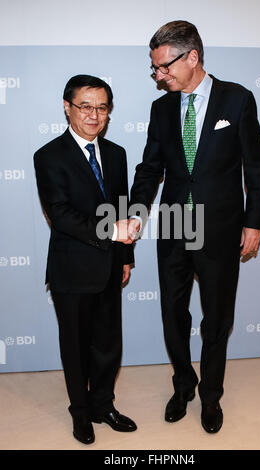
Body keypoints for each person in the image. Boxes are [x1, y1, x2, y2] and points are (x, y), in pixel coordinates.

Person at [128, 21, 260, 433]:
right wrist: (135, 213)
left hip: (221, 229)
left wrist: (254, 223)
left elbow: (256, 168)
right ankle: (183, 385)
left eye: (164, 66)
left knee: (216, 319)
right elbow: (149, 167)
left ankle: (210, 396)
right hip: (173, 225)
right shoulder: (162, 108)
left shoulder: (237, 100)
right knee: (173, 313)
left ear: (192, 57)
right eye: (154, 69)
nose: (159, 75)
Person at [34, 75, 137, 445]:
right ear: (67, 107)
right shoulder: (48, 156)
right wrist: (112, 234)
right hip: (72, 269)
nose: (94, 115)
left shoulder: (116, 154)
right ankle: (80, 414)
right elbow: (59, 213)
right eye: (86, 106)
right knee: (76, 347)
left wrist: (125, 257)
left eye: (102, 107)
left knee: (109, 343)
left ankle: (102, 405)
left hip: (110, 265)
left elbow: (123, 209)